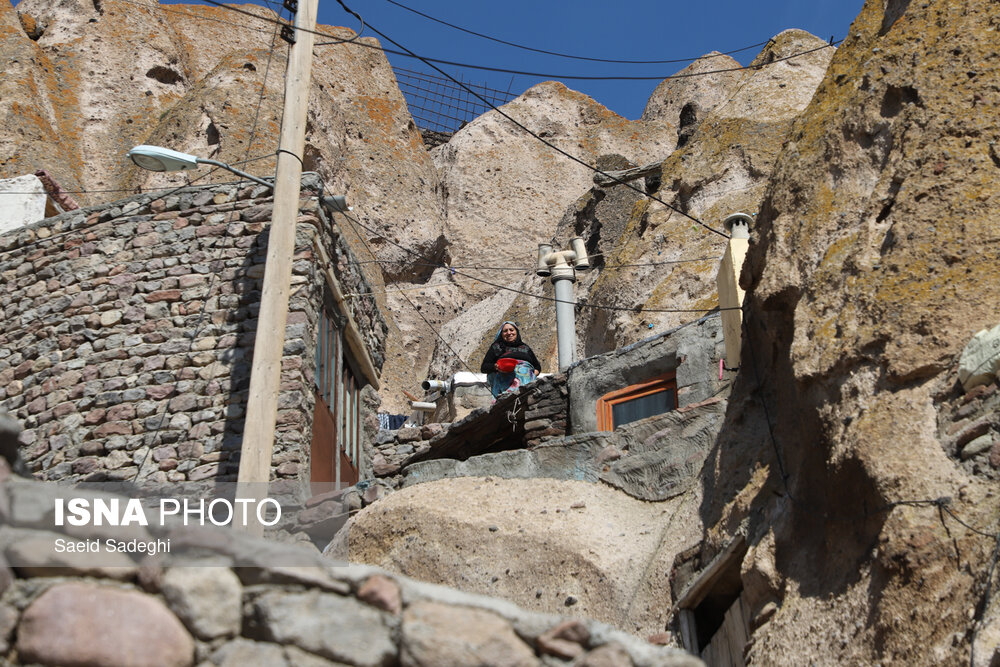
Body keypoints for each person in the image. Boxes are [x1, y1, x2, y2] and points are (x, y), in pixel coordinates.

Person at [480, 321, 542, 398]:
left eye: (511, 330)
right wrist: (497, 367)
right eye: (505, 331)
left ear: (516, 332)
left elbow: (537, 367)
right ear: (501, 334)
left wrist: (529, 375)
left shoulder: (525, 348)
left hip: (526, 380)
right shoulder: (496, 347)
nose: (509, 333)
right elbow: (484, 367)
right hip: (503, 377)